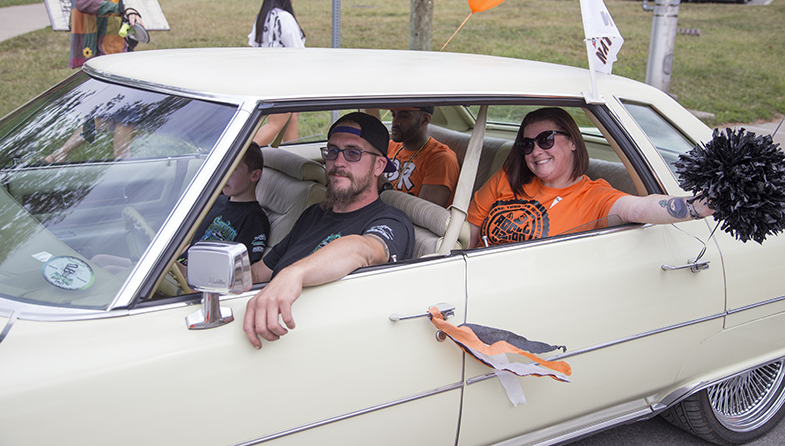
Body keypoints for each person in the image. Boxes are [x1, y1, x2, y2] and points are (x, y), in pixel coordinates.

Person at [243, 112, 415, 349]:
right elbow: (260, 273)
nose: (338, 162)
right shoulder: (315, 214)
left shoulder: (392, 221)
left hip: (320, 340)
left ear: (379, 165)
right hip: (273, 326)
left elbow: (363, 250)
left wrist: (293, 274)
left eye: (353, 152)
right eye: (332, 151)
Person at [467, 107, 714, 248]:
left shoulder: (594, 197)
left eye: (546, 139)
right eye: (527, 144)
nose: (536, 151)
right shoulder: (508, 177)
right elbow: (469, 232)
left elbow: (640, 209)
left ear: (573, 141)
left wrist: (705, 204)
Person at [176, 142, 270, 276]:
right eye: (223, 168)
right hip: (179, 272)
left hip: (199, 282)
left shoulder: (254, 219)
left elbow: (239, 270)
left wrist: (184, 272)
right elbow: (194, 244)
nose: (225, 175)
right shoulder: (217, 201)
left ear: (254, 176)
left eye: (233, 170)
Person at [249, 0, 306, 146]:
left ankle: (292, 159)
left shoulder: (262, 17)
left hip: (266, 77)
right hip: (284, 81)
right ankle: (236, 157)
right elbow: (298, 52)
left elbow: (253, 45)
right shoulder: (285, 18)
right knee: (275, 124)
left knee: (291, 118)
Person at [381, 106, 460, 207]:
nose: (395, 122)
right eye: (393, 115)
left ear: (425, 119)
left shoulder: (441, 159)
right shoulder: (390, 146)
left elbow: (426, 213)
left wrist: (384, 186)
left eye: (404, 116)